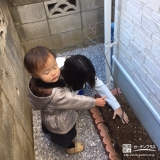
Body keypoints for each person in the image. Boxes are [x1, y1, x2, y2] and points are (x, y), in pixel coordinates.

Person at [24, 46, 106, 155]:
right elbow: (75, 100)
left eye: (54, 67)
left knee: (48, 124)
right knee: (65, 136)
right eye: (47, 72)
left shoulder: (35, 82)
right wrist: (94, 102)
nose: (53, 73)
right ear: (35, 75)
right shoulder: (55, 96)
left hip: (48, 115)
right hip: (60, 122)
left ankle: (47, 131)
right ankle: (70, 147)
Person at [58, 55, 129, 124]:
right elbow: (66, 100)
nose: (88, 81)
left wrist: (116, 106)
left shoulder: (80, 68)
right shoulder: (56, 81)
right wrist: (94, 102)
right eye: (84, 80)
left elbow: (100, 86)